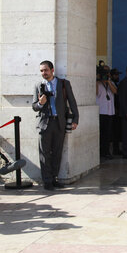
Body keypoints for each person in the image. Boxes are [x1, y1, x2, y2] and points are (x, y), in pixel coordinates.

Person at [33, 60, 79, 190]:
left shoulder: (64, 84)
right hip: (44, 124)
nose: (44, 73)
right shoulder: (38, 85)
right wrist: (41, 103)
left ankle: (54, 178)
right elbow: (34, 106)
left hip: (59, 122)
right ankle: (47, 180)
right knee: (44, 153)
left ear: (52, 70)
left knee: (57, 152)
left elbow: (72, 101)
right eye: (41, 71)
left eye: (46, 70)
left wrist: (76, 118)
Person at [96, 65, 117, 159]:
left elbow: (115, 91)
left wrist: (108, 81)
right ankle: (100, 152)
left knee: (108, 133)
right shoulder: (97, 83)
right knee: (101, 133)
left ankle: (107, 151)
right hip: (101, 111)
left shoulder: (111, 82)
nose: (106, 74)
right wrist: (97, 79)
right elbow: (95, 92)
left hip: (110, 112)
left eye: (107, 72)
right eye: (104, 72)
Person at [109, 68, 122, 156]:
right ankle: (114, 149)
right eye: (115, 75)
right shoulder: (110, 83)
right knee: (114, 132)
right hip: (112, 111)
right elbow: (116, 92)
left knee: (117, 132)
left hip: (116, 111)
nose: (117, 76)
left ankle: (116, 149)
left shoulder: (115, 83)